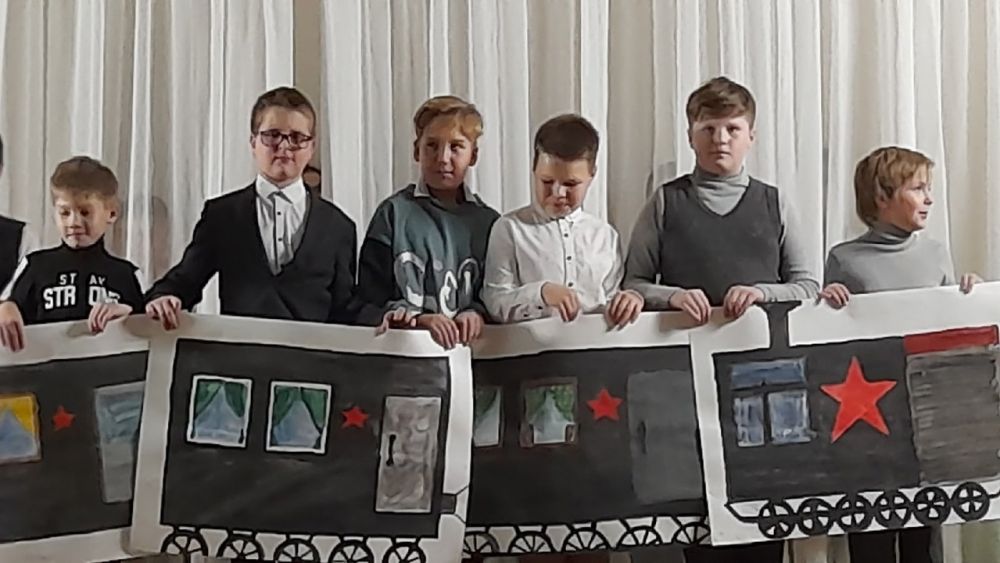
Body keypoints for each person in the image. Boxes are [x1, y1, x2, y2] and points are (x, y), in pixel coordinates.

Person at [625, 76, 820, 563]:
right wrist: (673, 297)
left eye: (732, 128)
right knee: (701, 524)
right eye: (708, 128)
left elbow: (807, 286)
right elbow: (632, 285)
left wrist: (761, 293)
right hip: (687, 391)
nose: (721, 139)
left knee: (762, 519)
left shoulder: (775, 202)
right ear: (691, 135)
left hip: (765, 384)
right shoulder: (665, 202)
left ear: (751, 135)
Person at [821, 146, 980, 563]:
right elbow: (831, 349)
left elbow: (950, 336)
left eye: (928, 188)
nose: (929, 199)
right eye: (918, 188)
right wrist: (826, 302)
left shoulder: (936, 254)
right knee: (871, 534)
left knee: (923, 537)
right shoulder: (844, 259)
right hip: (867, 422)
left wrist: (970, 297)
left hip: (924, 420)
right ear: (882, 196)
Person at [145, 87, 357, 328]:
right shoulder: (222, 216)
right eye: (272, 135)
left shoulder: (339, 227)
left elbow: (345, 309)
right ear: (253, 142)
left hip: (311, 353)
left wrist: (384, 320)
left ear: (312, 147)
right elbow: (186, 280)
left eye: (297, 138)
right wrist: (163, 297)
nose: (284, 147)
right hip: (237, 351)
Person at [357, 95, 500, 349]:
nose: (443, 158)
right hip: (405, 359)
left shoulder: (491, 224)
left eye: (456, 147)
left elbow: (499, 296)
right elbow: (366, 303)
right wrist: (415, 319)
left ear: (473, 155)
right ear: (417, 150)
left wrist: (478, 313)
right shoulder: (392, 215)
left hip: (472, 361)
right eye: (432, 146)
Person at [482, 113, 643, 330]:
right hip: (530, 348)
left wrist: (628, 301)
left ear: (592, 175)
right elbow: (495, 302)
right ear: (534, 169)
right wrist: (541, 293)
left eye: (571, 184)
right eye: (547, 181)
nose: (558, 193)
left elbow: (610, 300)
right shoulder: (509, 229)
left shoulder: (605, 236)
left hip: (595, 346)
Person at [0, 156, 143, 351]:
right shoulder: (35, 266)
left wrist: (129, 315)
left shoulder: (126, 274)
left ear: (111, 213)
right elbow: (10, 307)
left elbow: (151, 330)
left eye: (85, 212)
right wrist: (6, 308)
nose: (73, 222)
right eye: (65, 213)